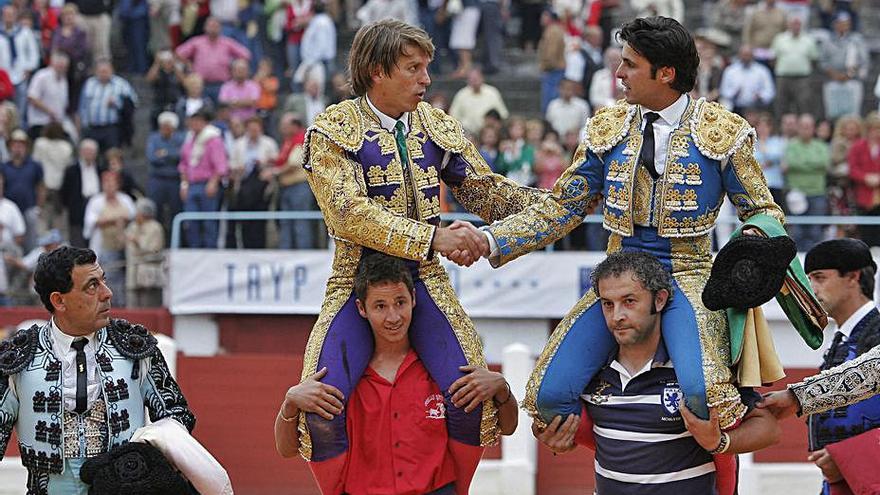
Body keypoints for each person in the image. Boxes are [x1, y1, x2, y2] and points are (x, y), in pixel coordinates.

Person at [480, 16, 787, 432]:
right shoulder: (608, 127)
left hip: (688, 273)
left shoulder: (723, 131)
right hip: (619, 275)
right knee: (548, 397)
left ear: (666, 73)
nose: (618, 73)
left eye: (629, 64)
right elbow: (563, 207)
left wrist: (750, 242)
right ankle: (620, 450)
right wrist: (491, 240)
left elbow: (763, 211)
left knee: (705, 395)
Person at [299, 18, 545, 486]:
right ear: (377, 71)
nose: (426, 79)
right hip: (356, 281)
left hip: (423, 279)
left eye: (426, 68)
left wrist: (562, 203)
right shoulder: (334, 130)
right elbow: (348, 214)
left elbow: (489, 194)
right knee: (321, 403)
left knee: (468, 394)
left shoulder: (432, 124)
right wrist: (434, 238)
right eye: (413, 68)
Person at [534, 252, 780, 492]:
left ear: (659, 300)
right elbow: (571, 432)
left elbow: (768, 428)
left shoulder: (697, 369)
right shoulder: (589, 374)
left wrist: (719, 442)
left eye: (629, 301)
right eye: (608, 304)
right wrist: (559, 439)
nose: (617, 316)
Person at [274, 253, 518, 494]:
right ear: (362, 308)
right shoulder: (346, 377)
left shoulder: (441, 371)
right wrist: (289, 403)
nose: (393, 317)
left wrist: (502, 388)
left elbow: (508, 428)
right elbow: (286, 450)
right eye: (380, 306)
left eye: (399, 302)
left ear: (413, 298)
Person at [0, 245, 195, 493]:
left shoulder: (134, 347)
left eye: (103, 281)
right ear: (59, 300)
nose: (107, 293)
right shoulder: (18, 359)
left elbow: (177, 415)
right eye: (92, 286)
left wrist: (142, 458)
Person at [766, 238, 880, 493]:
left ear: (853, 277)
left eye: (820, 277)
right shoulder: (840, 342)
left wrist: (850, 456)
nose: (811, 288)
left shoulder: (874, 335)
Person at [77, 59, 138, 152]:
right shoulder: (89, 83)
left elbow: (134, 103)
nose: (103, 74)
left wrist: (117, 103)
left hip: (111, 128)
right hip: (91, 128)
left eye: (106, 71)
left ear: (112, 71)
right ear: (96, 72)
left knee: (112, 155)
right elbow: (82, 106)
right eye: (101, 71)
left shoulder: (121, 84)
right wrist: (83, 125)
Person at [60, 139, 102, 248]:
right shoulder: (71, 170)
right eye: (86, 151)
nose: (88, 154)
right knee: (78, 241)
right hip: (78, 207)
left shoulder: (100, 169)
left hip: (96, 206)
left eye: (91, 151)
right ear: (81, 152)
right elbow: (64, 192)